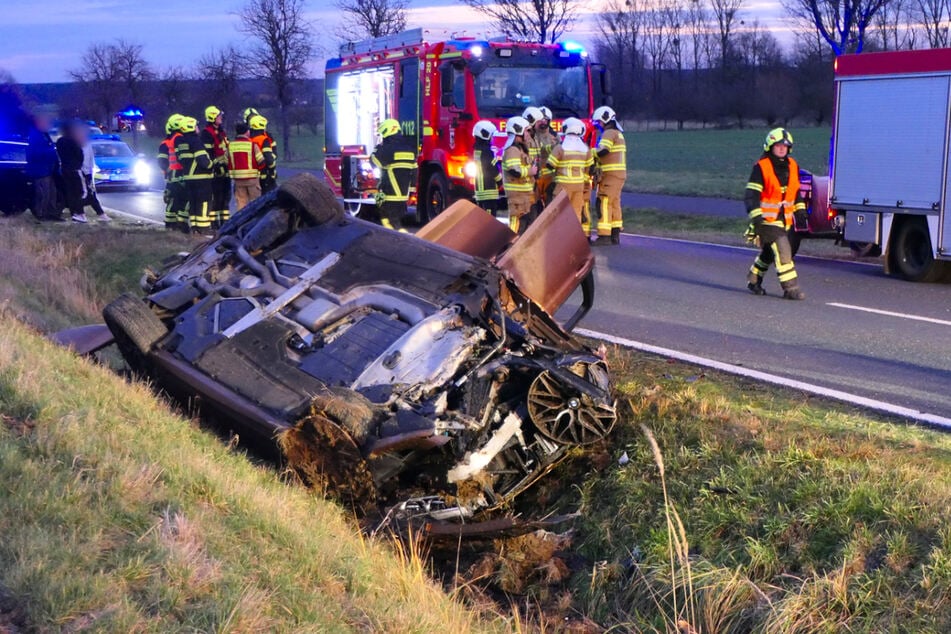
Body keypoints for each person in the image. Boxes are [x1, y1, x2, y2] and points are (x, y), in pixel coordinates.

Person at [745, 127, 806, 300]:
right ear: (769, 146)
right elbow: (751, 195)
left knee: (769, 253)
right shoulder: (761, 167)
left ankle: (753, 278)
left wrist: (800, 210)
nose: (781, 149)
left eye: (785, 146)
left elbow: (795, 192)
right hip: (766, 220)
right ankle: (791, 289)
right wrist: (757, 218)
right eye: (778, 145)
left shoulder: (793, 166)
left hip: (783, 220)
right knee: (783, 250)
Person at [546, 117, 594, 233]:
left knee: (559, 211)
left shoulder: (561, 148)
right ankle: (574, 236)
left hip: (563, 186)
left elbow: (550, 165)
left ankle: (559, 235)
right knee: (576, 211)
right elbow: (591, 167)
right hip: (579, 186)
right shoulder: (585, 149)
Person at [370, 118, 416, 232]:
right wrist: (411, 190)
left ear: (387, 132)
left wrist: (377, 148)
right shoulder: (410, 149)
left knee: (388, 222)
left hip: (388, 194)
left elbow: (374, 161)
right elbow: (415, 172)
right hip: (403, 196)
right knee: (394, 221)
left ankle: (402, 241)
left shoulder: (386, 149)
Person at [592, 106, 627, 245]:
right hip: (618, 175)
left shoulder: (608, 134)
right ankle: (615, 234)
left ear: (604, 120)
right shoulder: (618, 134)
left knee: (604, 202)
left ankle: (604, 236)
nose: (598, 126)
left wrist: (590, 152)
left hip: (610, 175)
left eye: (598, 122)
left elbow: (603, 151)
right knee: (614, 203)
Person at [174, 116, 214, 235]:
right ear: (191, 127)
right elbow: (203, 160)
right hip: (201, 178)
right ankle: (204, 228)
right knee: (204, 203)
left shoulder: (181, 142)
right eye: (196, 125)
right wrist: (211, 165)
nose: (198, 128)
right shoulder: (195, 141)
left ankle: (195, 227)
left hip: (188, 177)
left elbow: (180, 159)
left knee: (193, 203)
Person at [501, 115, 536, 234]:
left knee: (526, 223)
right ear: (518, 131)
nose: (528, 134)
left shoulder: (520, 149)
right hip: (517, 196)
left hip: (524, 195)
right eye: (526, 130)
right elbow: (514, 171)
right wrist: (530, 172)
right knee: (516, 224)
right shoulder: (512, 150)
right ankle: (511, 246)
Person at [25, 114, 62, 221]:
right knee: (43, 193)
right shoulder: (35, 135)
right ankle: (41, 214)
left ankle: (52, 213)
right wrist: (50, 151)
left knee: (52, 192)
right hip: (40, 169)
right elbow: (34, 153)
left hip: (49, 168)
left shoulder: (44, 134)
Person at [200, 105, 231, 228]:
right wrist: (216, 165)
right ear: (213, 117)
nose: (221, 118)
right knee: (216, 198)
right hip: (215, 172)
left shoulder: (222, 132)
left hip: (225, 170)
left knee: (225, 198)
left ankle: (225, 223)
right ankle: (214, 223)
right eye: (219, 116)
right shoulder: (206, 133)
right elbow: (208, 153)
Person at [523, 106, 556, 210]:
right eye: (540, 121)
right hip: (531, 179)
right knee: (534, 208)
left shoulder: (553, 136)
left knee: (548, 205)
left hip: (546, 177)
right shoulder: (527, 137)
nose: (542, 123)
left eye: (545, 120)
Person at [157, 114, 187, 231]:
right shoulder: (166, 143)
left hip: (179, 174)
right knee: (173, 200)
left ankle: (177, 224)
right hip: (174, 175)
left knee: (181, 199)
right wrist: (168, 170)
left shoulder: (178, 139)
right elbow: (161, 160)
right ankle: (171, 225)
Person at [55, 120, 88, 223]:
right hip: (75, 169)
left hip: (65, 169)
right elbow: (80, 155)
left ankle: (74, 213)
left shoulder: (60, 141)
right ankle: (80, 213)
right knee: (81, 192)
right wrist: (78, 165)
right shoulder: (73, 141)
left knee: (70, 192)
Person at [228, 121, 266, 210]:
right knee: (255, 203)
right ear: (247, 132)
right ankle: (254, 223)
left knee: (241, 203)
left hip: (238, 181)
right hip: (252, 180)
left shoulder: (230, 146)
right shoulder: (252, 145)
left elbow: (226, 161)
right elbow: (262, 162)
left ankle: (242, 223)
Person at [79, 123, 109, 222]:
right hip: (82, 172)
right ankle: (82, 213)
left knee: (90, 193)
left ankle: (97, 213)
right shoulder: (80, 145)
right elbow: (82, 159)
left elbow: (90, 159)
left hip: (88, 172)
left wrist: (92, 170)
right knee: (88, 194)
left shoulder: (87, 144)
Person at [471, 120, 501, 216]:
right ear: (486, 135)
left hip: (480, 191)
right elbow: (493, 168)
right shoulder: (487, 151)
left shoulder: (477, 150)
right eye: (491, 136)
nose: (492, 138)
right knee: (490, 218)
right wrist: (500, 181)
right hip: (489, 190)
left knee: (481, 217)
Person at [249, 115, 277, 194]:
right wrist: (272, 167)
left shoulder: (249, 139)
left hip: (253, 176)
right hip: (266, 176)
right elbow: (269, 158)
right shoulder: (263, 139)